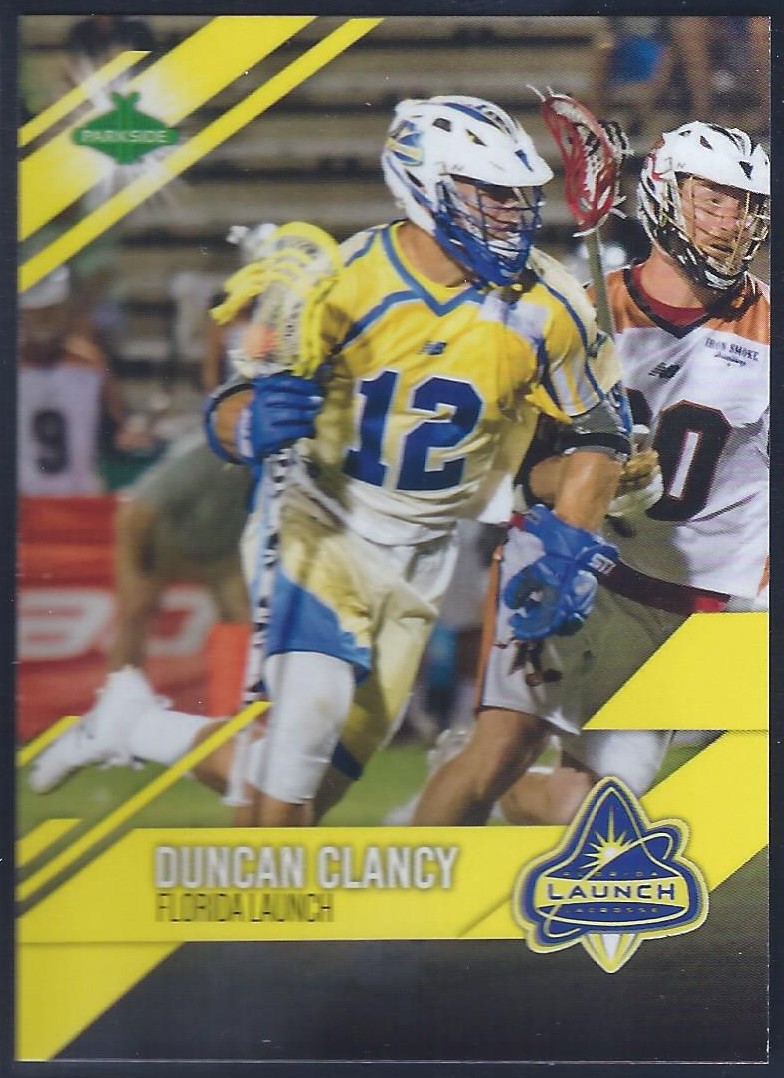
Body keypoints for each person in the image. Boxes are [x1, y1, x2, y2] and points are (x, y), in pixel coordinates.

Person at [29, 94, 631, 825]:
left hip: (425, 554)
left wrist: (569, 546)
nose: (511, 211)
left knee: (303, 790)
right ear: (423, 184)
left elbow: (599, 432)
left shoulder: (550, 302)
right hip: (321, 529)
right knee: (303, 733)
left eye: (518, 194)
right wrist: (249, 424)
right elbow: (233, 401)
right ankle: (263, 904)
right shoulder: (342, 282)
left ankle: (133, 727)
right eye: (489, 191)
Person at [410, 119, 770, 826]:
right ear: (665, 195)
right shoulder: (578, 314)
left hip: (702, 603)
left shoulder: (772, 326)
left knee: (598, 808)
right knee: (507, 761)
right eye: (713, 199)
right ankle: (413, 889)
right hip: (584, 574)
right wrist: (598, 477)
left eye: (746, 205)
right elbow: (515, 473)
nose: (732, 221)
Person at [18, 266, 144, 496]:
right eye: (36, 313)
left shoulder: (89, 363)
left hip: (78, 496)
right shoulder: (11, 366)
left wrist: (130, 431)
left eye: (50, 312)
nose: (43, 320)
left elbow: (120, 422)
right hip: (21, 499)